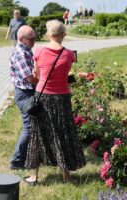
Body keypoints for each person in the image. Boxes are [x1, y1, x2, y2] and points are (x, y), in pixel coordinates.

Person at [24, 20, 86, 185]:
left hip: (43, 97)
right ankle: (66, 176)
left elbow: (36, 77)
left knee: (37, 134)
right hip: (62, 98)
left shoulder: (39, 51)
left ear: (49, 35)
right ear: (63, 35)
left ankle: (34, 176)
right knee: (62, 134)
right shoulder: (69, 55)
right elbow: (65, 75)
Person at [9, 25, 38, 169]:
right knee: (29, 126)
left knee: (32, 125)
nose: (33, 40)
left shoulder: (26, 50)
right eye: (30, 38)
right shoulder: (21, 53)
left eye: (34, 37)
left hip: (27, 92)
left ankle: (28, 155)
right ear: (21, 39)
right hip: (24, 94)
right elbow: (31, 78)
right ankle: (17, 161)